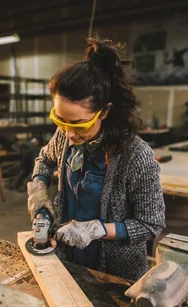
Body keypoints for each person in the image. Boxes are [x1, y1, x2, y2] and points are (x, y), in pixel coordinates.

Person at [27, 37, 165, 282]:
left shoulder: (135, 156)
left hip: (114, 277)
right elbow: (46, 158)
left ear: (105, 111)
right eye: (60, 120)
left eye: (79, 124)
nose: (68, 133)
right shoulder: (65, 136)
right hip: (68, 262)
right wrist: (38, 189)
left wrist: (98, 229)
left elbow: (151, 224)